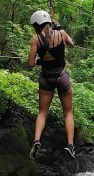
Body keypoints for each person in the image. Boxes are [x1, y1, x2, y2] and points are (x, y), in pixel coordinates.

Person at [27, 10, 75, 160]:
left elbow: (30, 63)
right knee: (68, 112)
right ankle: (70, 145)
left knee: (42, 112)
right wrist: (59, 26)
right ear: (49, 22)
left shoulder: (36, 39)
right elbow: (72, 44)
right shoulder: (60, 34)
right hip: (62, 77)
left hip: (46, 78)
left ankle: (36, 141)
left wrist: (40, 61)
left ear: (36, 25)